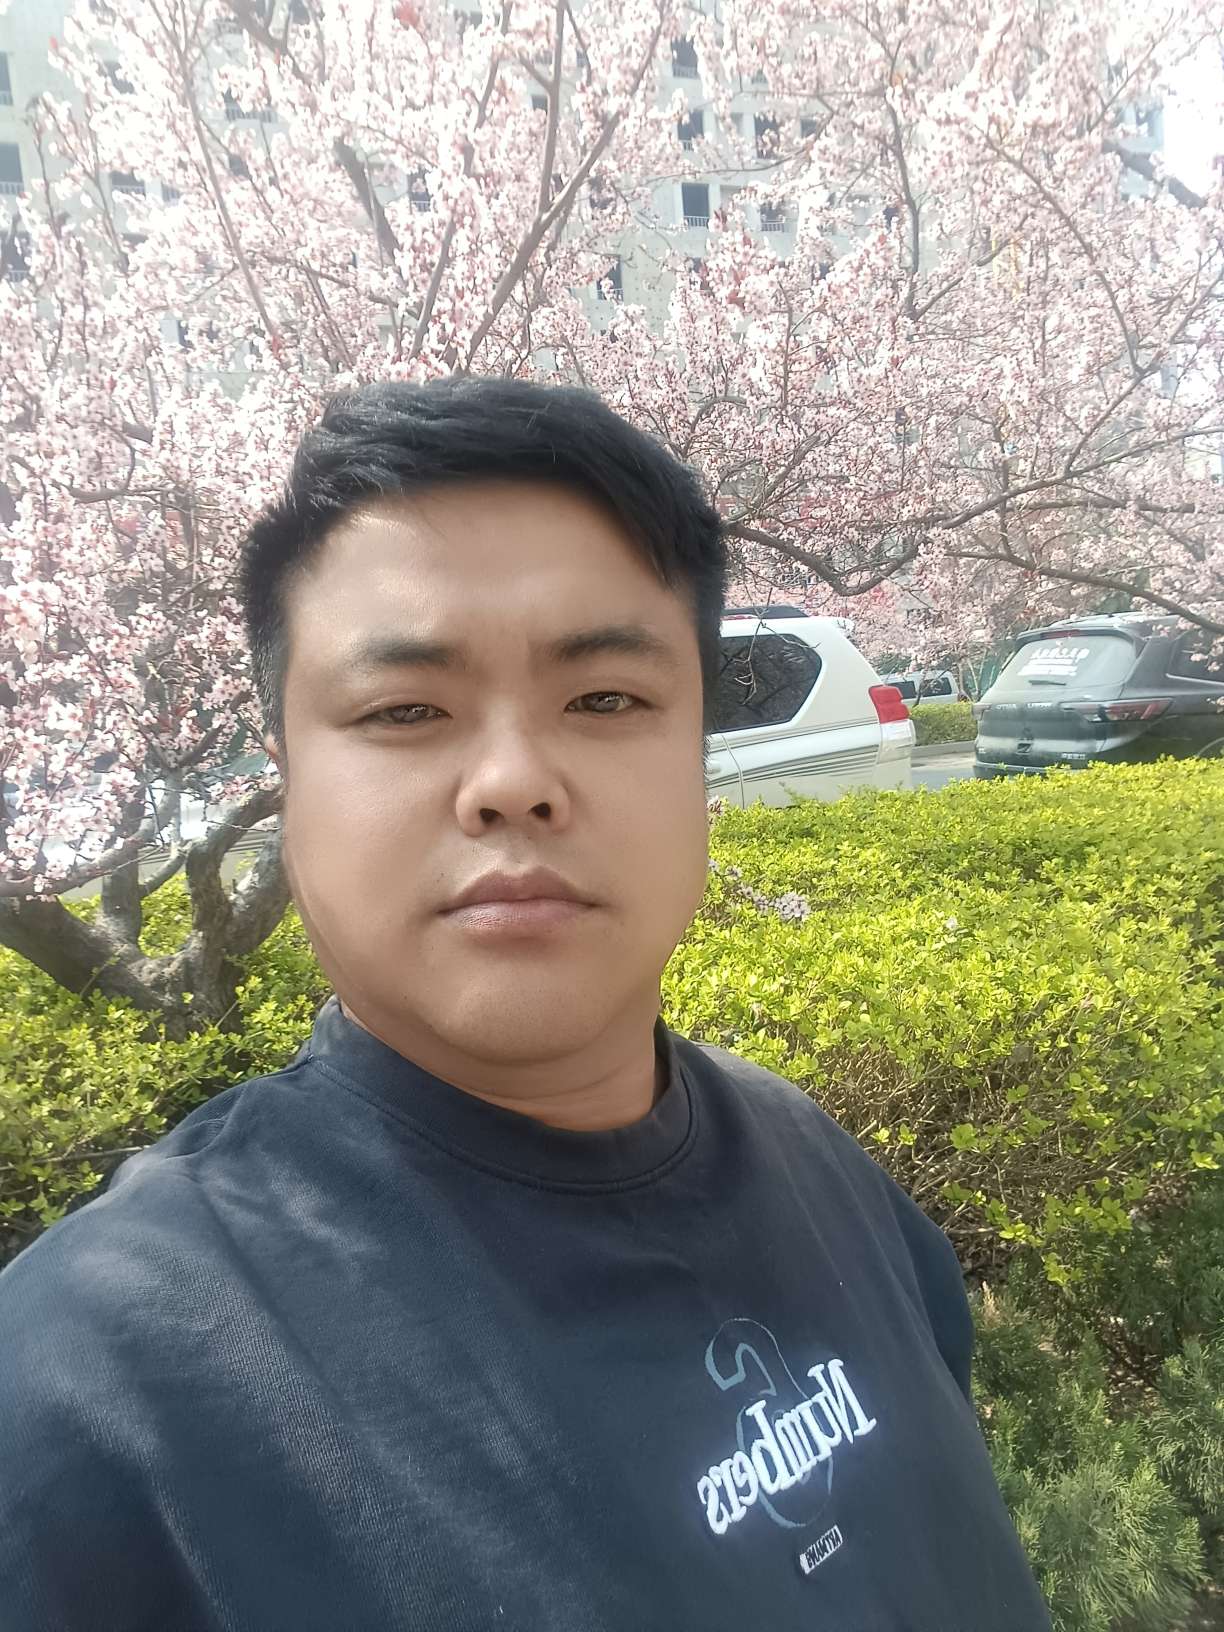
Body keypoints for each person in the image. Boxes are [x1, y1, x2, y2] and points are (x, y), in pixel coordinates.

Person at [0, 377, 1052, 1631]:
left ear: (696, 756)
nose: (511, 780)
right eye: (404, 710)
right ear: (287, 783)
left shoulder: (822, 1165)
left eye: (605, 699)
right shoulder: (86, 1393)